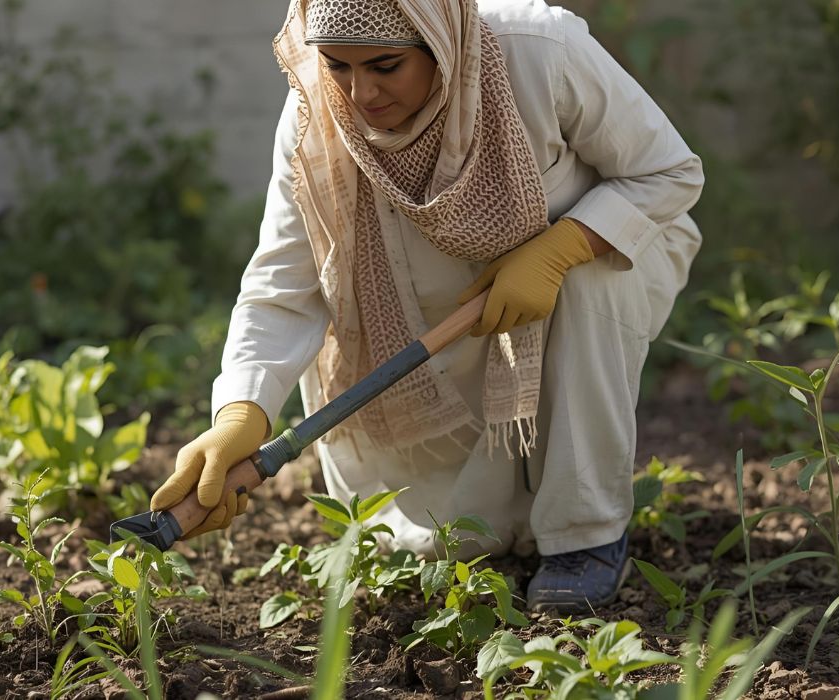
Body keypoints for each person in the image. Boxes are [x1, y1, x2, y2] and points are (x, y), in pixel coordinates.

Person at [151, 0, 703, 614]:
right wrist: (241, 411)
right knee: (458, 538)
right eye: (338, 65)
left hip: (597, 269)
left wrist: (565, 245)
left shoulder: (538, 52)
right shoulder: (316, 111)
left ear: (440, 43)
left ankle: (586, 535)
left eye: (386, 65)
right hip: (441, 305)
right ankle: (514, 514)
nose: (361, 92)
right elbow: (284, 280)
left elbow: (669, 173)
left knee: (587, 283)